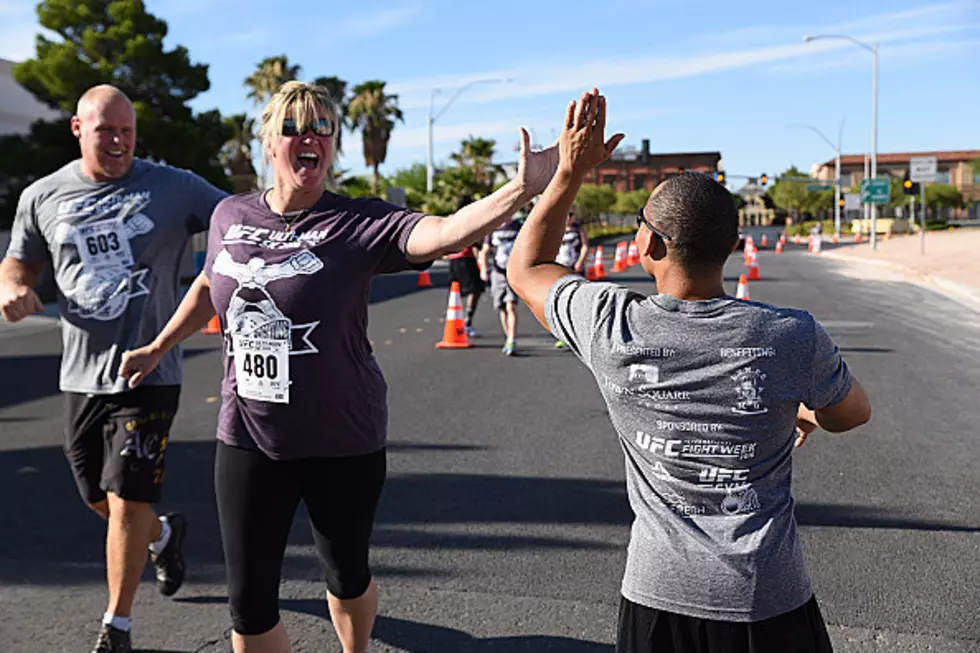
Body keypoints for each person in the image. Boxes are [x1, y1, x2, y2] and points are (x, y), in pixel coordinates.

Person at [116, 80, 559, 653]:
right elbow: (209, 282)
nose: (311, 137)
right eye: (296, 126)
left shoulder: (358, 223)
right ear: (268, 141)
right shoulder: (230, 213)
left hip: (341, 438)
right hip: (249, 436)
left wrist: (521, 188)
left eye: (323, 127)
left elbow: (444, 233)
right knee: (248, 608)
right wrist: (159, 346)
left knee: (345, 576)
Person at [508, 88, 872, 653]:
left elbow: (527, 266)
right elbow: (852, 413)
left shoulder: (611, 324)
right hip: (767, 599)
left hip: (657, 600)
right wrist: (804, 411)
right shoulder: (792, 334)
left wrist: (568, 175)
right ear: (732, 245)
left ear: (648, 241)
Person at [0, 84, 229, 653]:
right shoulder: (43, 195)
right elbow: (20, 262)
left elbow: (234, 218)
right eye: (107, 131)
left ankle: (117, 625)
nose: (121, 142)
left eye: (128, 131)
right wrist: (11, 288)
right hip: (79, 375)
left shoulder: (173, 187)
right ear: (78, 129)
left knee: (127, 496)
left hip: (150, 371)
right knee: (98, 497)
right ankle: (165, 534)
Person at [479, 209, 525, 355]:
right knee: (502, 307)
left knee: (511, 305)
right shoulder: (493, 228)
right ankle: (508, 337)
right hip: (497, 271)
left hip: (513, 272)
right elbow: (485, 250)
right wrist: (483, 269)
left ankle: (512, 339)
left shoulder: (519, 226)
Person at [446, 195, 485, 338]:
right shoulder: (467, 218)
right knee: (475, 290)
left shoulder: (450, 218)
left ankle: (459, 321)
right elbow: (475, 239)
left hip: (453, 260)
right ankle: (466, 323)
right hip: (465, 258)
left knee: (457, 292)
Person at [553, 205, 588, 348]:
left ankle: (578, 335)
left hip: (575, 267)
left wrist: (580, 261)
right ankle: (563, 335)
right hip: (559, 268)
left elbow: (585, 245)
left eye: (571, 214)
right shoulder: (556, 228)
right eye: (566, 214)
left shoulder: (578, 229)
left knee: (576, 301)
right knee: (560, 301)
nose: (568, 218)